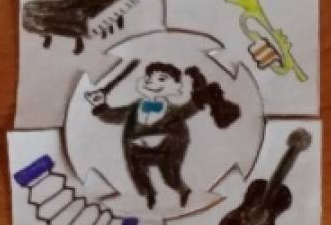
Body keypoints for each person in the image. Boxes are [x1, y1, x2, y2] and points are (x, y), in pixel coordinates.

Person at [89, 62, 240, 209]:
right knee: (137, 172)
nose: (150, 81)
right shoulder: (134, 108)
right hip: (138, 150)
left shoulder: (172, 111)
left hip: (167, 149)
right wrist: (100, 105)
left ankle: (182, 190)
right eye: (148, 77)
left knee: (170, 175)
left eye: (161, 79)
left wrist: (199, 98)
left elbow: (187, 110)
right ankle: (149, 194)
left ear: (177, 89)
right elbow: (113, 116)